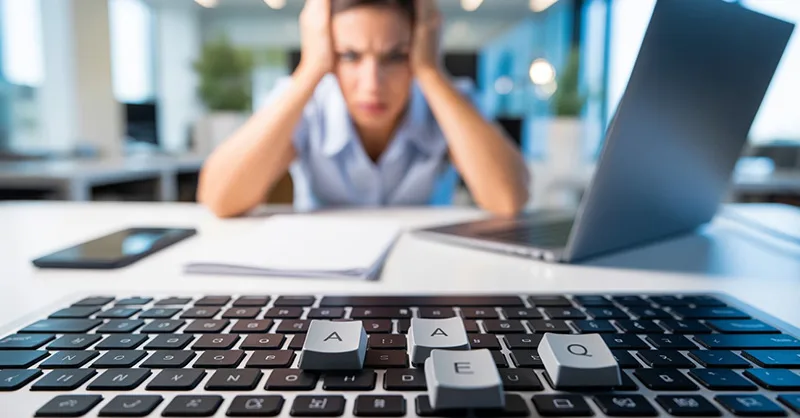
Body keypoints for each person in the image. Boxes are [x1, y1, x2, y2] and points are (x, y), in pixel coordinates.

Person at [198, 0, 530, 218]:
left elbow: (509, 199)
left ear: (417, 52)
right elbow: (219, 199)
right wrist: (311, 67)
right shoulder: (307, 101)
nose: (372, 83)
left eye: (395, 56)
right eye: (350, 56)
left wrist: (430, 70)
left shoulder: (447, 99)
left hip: (424, 284)